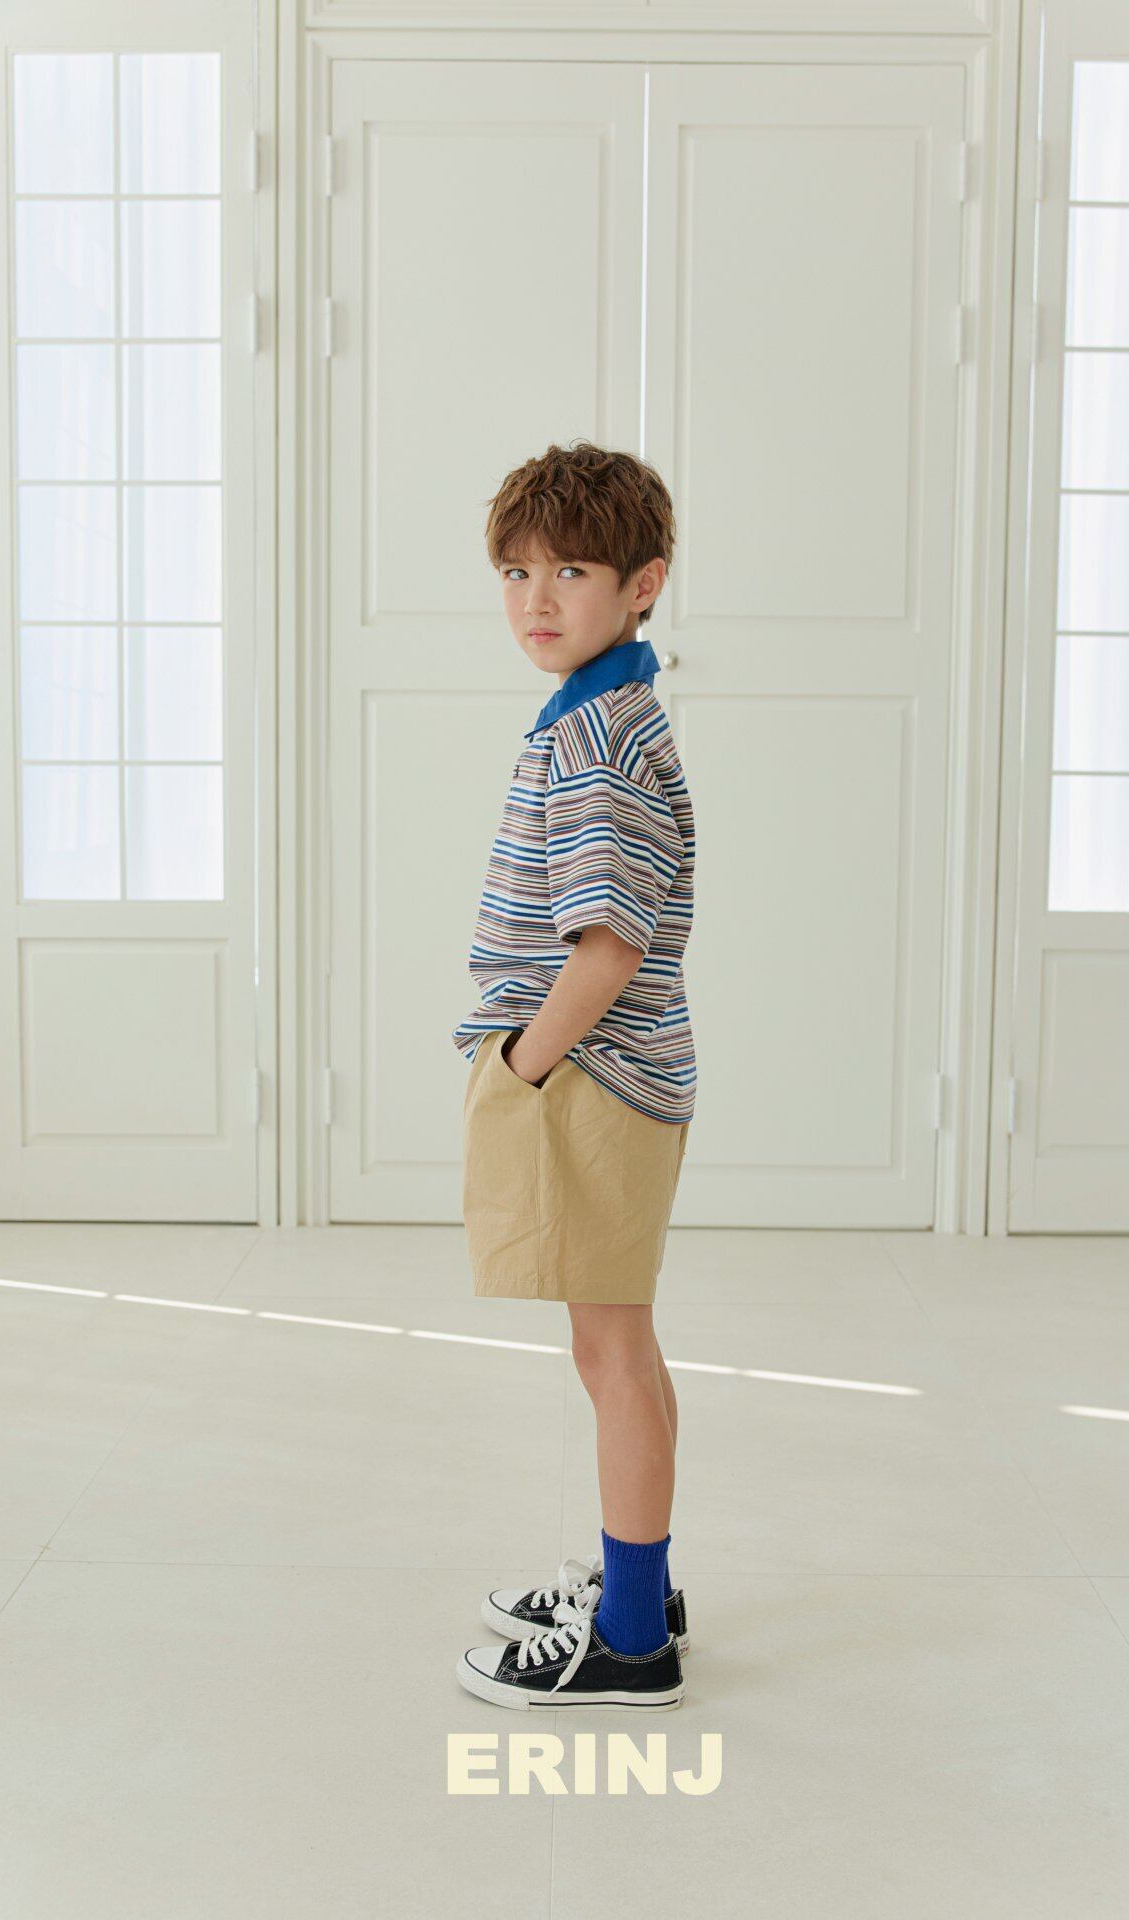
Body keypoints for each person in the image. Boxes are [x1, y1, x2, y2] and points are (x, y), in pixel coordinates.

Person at [453, 440, 698, 1711]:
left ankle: (631, 1642)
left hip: (588, 1077)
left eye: (571, 572)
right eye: (515, 572)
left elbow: (608, 944)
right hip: (601, 1077)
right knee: (619, 1348)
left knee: (608, 1355)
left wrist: (520, 1066)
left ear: (641, 584)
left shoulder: (594, 740)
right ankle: (635, 1589)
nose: (535, 600)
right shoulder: (596, 713)